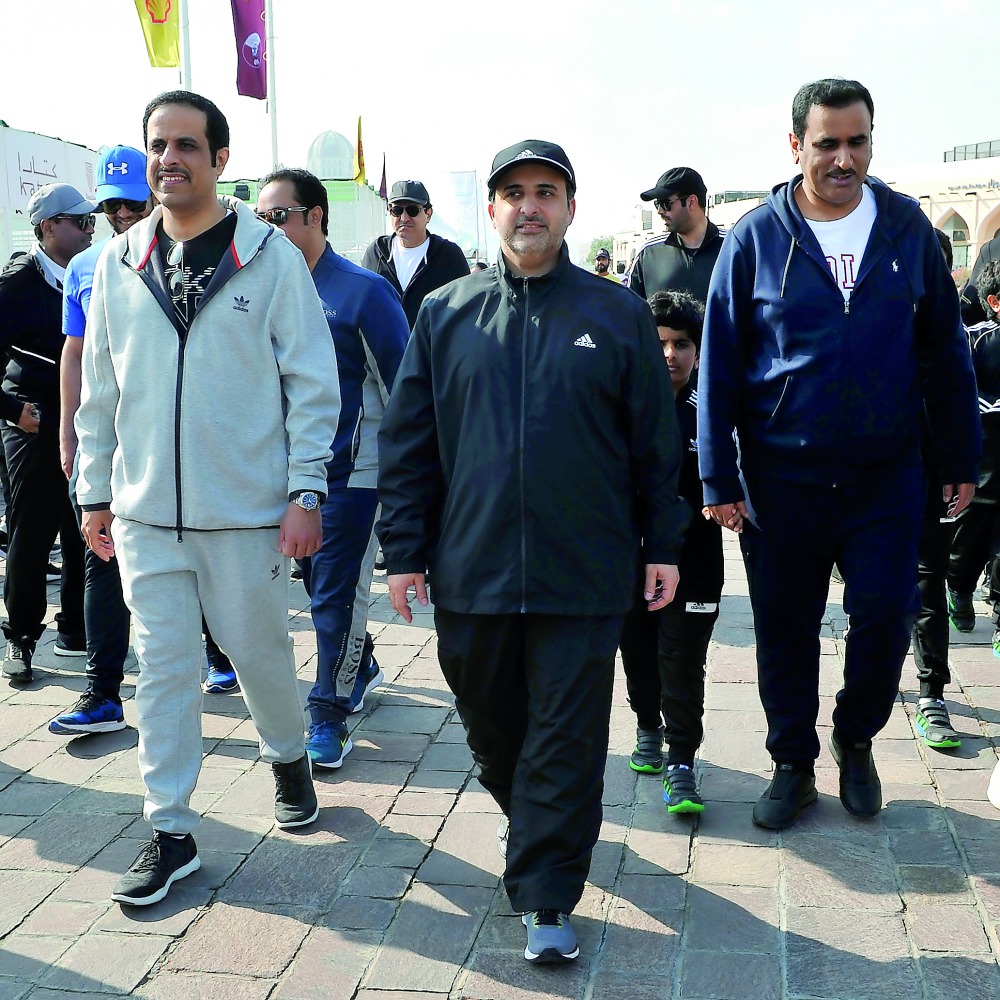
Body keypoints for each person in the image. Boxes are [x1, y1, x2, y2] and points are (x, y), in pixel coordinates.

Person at [377, 139, 689, 964]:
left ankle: (549, 892)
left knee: (567, 735)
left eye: (546, 191)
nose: (529, 205)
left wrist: (663, 542)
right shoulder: (444, 313)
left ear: (571, 208)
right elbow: (409, 445)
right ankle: (540, 823)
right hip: (471, 569)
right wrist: (403, 550)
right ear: (490, 209)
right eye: (512, 192)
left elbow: (655, 444)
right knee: (495, 730)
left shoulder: (616, 315)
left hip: (584, 572)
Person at [74, 90, 340, 906]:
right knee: (162, 670)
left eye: (187, 145)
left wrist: (306, 490)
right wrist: (94, 492)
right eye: (157, 144)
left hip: (248, 513)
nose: (168, 159)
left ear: (220, 160)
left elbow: (311, 381)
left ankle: (287, 754)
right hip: (148, 514)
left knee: (259, 657)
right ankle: (171, 829)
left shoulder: (269, 257)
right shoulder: (120, 264)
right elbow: (101, 389)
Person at [698, 78, 981, 831]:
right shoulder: (756, 238)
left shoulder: (907, 231)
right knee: (784, 629)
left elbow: (946, 353)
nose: (843, 158)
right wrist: (715, 474)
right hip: (781, 476)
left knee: (886, 616)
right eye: (827, 143)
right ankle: (792, 764)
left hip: (886, 475)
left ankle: (855, 739)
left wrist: (961, 456)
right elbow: (718, 365)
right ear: (797, 147)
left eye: (857, 142)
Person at [256, 167, 409, 768]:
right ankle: (359, 660)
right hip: (286, 474)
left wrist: (411, 486)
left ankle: (329, 709)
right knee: (317, 583)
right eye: (259, 218)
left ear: (316, 216)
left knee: (337, 595)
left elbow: (405, 388)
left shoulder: (363, 292)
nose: (266, 229)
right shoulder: (260, 288)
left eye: (279, 217)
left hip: (352, 473)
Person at [618, 291, 723, 813]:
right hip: (630, 563)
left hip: (697, 565)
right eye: (659, 342)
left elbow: (733, 480)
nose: (670, 354)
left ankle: (682, 759)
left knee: (682, 661)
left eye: (682, 343)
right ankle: (647, 727)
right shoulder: (621, 407)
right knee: (637, 652)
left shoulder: (713, 416)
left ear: (699, 351)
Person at [0, 183, 95, 682]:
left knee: (85, 526)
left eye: (91, 220)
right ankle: (20, 634)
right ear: (47, 227)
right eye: (78, 221)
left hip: (85, 420)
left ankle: (76, 629)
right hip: (34, 425)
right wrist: (15, 411)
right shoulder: (16, 286)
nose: (89, 228)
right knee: (32, 532)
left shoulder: (95, 273)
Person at [909, 230, 966, 751]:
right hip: (855, 481)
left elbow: (958, 394)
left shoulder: (949, 333)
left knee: (930, 581)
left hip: (927, 475)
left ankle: (931, 693)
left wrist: (959, 464)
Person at [947, 261, 1000, 653]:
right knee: (969, 548)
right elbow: (966, 392)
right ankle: (959, 591)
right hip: (983, 471)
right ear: (994, 302)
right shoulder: (976, 340)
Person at [360, 179, 469, 327]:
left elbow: (465, 311)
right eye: (397, 211)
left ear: (428, 214)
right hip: (386, 349)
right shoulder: (376, 253)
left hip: (432, 349)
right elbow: (362, 306)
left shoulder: (449, 256)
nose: (404, 218)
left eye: (412, 210)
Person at [626, 167, 724, 301]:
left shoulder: (734, 247)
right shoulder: (648, 254)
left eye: (665, 203)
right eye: (657, 204)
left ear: (691, 202)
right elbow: (630, 313)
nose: (660, 211)